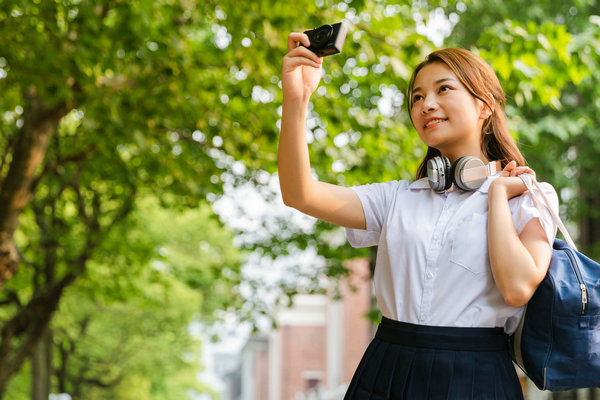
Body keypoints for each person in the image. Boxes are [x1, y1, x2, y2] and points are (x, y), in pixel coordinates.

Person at [279, 31, 558, 400]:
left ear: (484, 105)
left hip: (477, 376)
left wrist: (496, 198)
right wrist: (296, 99)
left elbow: (518, 287)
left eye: (443, 89)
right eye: (417, 97)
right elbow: (300, 193)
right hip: (388, 370)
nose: (426, 103)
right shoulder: (396, 198)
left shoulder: (528, 196)